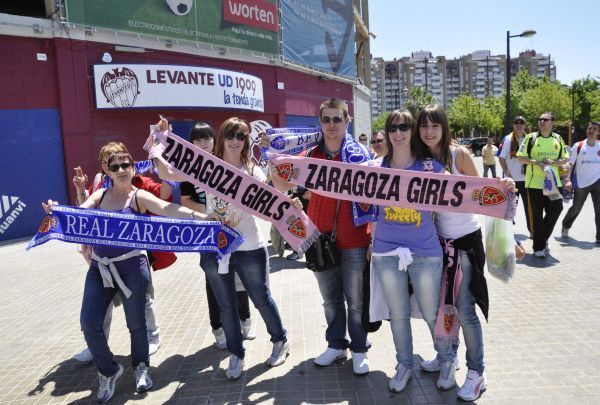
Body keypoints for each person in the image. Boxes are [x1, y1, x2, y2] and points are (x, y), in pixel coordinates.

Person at [44, 151, 216, 402]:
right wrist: (58, 212)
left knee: (137, 325)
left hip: (133, 268)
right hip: (100, 268)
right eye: (116, 167)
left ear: (133, 168)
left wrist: (202, 218)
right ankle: (109, 371)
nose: (122, 170)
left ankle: (141, 367)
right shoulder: (100, 195)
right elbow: (80, 213)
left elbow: (169, 208)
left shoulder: (139, 197)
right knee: (89, 323)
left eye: (126, 165)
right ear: (108, 172)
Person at [163, 117, 290, 381]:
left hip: (250, 247)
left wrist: (287, 201)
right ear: (222, 137)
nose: (235, 140)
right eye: (230, 135)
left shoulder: (252, 169)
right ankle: (236, 353)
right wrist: (159, 141)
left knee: (261, 298)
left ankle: (280, 341)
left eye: (241, 136)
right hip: (216, 247)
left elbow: (271, 208)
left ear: (246, 141)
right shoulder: (207, 167)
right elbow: (166, 173)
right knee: (226, 305)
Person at [415, 104, 515, 402]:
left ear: (444, 128)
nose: (429, 131)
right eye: (424, 126)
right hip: (437, 245)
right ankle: (449, 355)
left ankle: (477, 372)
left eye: (435, 125)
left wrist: (505, 185)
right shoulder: (420, 160)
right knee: (443, 306)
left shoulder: (459, 155)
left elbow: (485, 191)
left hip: (466, 245)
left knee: (465, 310)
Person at [269, 98, 372, 375]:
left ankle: (360, 348)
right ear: (320, 122)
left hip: (356, 240)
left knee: (357, 301)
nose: (331, 125)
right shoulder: (311, 155)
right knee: (330, 300)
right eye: (326, 119)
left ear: (347, 121)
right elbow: (281, 183)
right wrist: (273, 160)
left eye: (337, 119)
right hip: (320, 240)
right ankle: (336, 344)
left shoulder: (361, 155)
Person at [369, 109, 454, 393]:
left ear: (412, 130)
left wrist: (501, 189)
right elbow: (339, 184)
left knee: (432, 313)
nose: (398, 132)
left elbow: (465, 190)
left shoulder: (431, 168)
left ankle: (446, 360)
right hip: (386, 252)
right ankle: (404, 364)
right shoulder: (375, 169)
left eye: (404, 126)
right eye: (393, 127)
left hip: (425, 251)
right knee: (398, 314)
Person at [71, 142, 169, 364]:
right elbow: (87, 210)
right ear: (104, 166)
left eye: (120, 162)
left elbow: (163, 199)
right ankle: (97, 344)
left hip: (133, 258)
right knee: (100, 307)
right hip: (103, 258)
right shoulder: (100, 184)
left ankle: (152, 337)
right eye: (108, 162)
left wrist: (167, 172)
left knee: (141, 302)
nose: (116, 167)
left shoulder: (138, 182)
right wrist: (80, 192)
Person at [178, 122, 255, 350]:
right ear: (191, 143)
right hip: (207, 231)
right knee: (213, 280)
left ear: (215, 140)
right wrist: (212, 214)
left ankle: (245, 321)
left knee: (238, 276)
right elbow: (185, 201)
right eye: (197, 139)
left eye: (207, 139)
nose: (203, 143)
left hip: (235, 229)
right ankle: (218, 328)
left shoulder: (225, 163)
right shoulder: (188, 168)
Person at [516, 111, 569, 258]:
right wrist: (536, 162)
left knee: (557, 208)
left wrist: (555, 162)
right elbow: (520, 157)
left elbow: (565, 158)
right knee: (537, 216)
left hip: (553, 183)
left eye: (545, 119)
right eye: (539, 119)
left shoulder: (558, 138)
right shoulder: (531, 138)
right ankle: (539, 247)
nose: (541, 122)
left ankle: (542, 238)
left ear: (553, 122)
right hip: (534, 184)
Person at [561, 121, 600, 243]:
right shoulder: (578, 146)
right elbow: (571, 164)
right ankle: (566, 225)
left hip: (597, 182)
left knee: (599, 210)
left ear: (598, 132)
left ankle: (599, 237)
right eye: (589, 128)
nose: (591, 130)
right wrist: (567, 180)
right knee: (576, 208)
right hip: (581, 183)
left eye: (594, 129)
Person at [499, 116, 531, 235]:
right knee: (510, 208)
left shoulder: (530, 139)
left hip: (528, 180)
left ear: (525, 125)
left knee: (530, 210)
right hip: (512, 181)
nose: (519, 125)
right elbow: (501, 159)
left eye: (521, 123)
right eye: (516, 123)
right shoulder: (507, 139)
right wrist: (507, 173)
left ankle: (533, 233)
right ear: (513, 125)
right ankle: (506, 234)